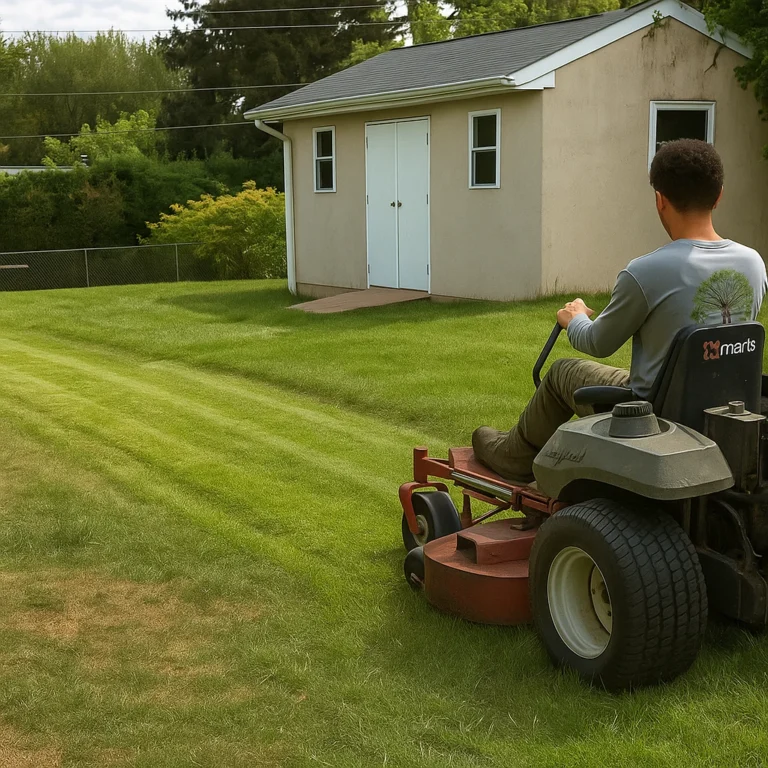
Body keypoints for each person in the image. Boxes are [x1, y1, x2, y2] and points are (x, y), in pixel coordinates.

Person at [472, 138, 768, 483]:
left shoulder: (645, 272)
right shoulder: (753, 264)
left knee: (562, 372)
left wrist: (574, 317)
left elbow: (598, 343)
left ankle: (512, 457)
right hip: (725, 405)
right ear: (718, 196)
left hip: (651, 414)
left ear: (659, 199)